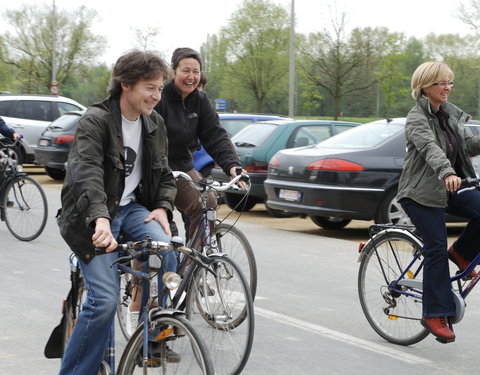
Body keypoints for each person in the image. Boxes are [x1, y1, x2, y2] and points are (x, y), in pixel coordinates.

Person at [57, 49, 177, 374]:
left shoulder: (155, 123)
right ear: (126, 84)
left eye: (161, 88)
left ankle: (151, 342)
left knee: (169, 252)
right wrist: (100, 218)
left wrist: (164, 208)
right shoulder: (96, 120)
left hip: (132, 209)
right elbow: (87, 172)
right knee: (106, 301)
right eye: (150, 87)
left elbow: (163, 173)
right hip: (89, 217)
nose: (157, 95)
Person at [397, 61, 480, 344]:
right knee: (434, 246)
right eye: (441, 83)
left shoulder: (449, 116)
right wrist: (446, 171)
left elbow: (466, 147)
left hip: (449, 188)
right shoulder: (416, 118)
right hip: (420, 192)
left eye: (450, 82)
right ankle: (434, 313)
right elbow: (430, 148)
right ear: (424, 87)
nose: (447, 88)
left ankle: (461, 254)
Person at [155, 47, 245, 243]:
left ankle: (193, 264)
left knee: (207, 202)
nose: (191, 77)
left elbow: (215, 134)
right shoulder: (159, 98)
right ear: (173, 72)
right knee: (159, 230)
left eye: (196, 72)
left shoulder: (200, 100)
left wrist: (232, 166)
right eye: (185, 70)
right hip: (155, 168)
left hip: (183, 166)